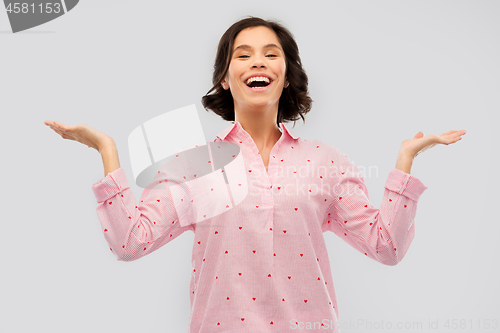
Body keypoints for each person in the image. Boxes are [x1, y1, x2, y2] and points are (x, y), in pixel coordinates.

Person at [44, 16, 466, 333]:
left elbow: (386, 247)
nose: (256, 62)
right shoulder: (196, 163)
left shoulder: (326, 162)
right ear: (225, 79)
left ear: (285, 77)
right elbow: (128, 243)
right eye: (241, 55)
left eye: (270, 53)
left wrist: (405, 163)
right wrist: (107, 151)